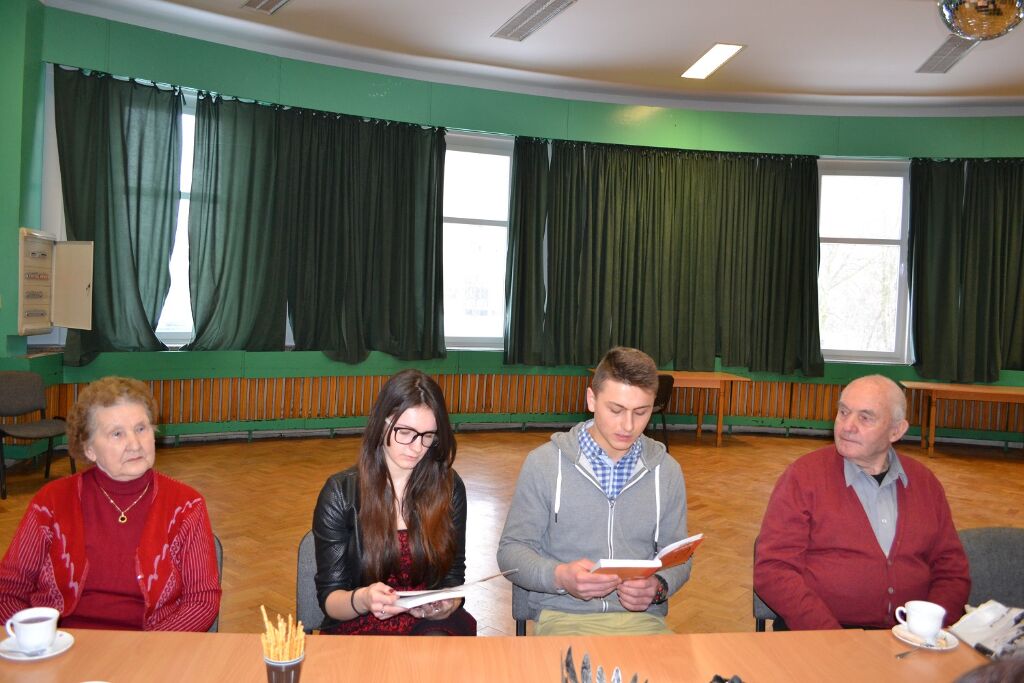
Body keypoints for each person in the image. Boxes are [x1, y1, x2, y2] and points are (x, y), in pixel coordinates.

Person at [0, 376, 221, 631]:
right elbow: (8, 589)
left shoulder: (186, 505)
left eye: (141, 428)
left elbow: (202, 601)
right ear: (89, 449)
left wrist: (152, 647)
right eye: (117, 434)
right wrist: (36, 640)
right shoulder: (52, 501)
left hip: (153, 643)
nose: (135, 444)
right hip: (63, 642)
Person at [497, 347, 690, 635]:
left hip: (643, 621)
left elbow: (679, 557)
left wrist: (658, 586)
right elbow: (511, 552)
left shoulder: (667, 471)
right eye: (616, 410)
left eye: (641, 412)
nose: (628, 425)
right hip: (563, 617)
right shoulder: (544, 464)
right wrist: (560, 576)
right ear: (591, 399)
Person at [753, 374, 970, 631]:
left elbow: (951, 570)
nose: (847, 426)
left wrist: (928, 629)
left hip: (910, 637)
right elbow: (774, 570)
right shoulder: (803, 477)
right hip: (820, 634)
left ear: (896, 431)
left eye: (865, 418)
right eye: (843, 412)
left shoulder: (925, 483)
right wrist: (833, 638)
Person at [312, 369, 475, 635]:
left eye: (428, 436)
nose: (417, 448)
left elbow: (454, 575)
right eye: (406, 432)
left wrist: (449, 602)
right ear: (382, 423)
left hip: (429, 624)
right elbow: (330, 599)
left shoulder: (449, 486)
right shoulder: (340, 493)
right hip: (360, 622)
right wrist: (364, 599)